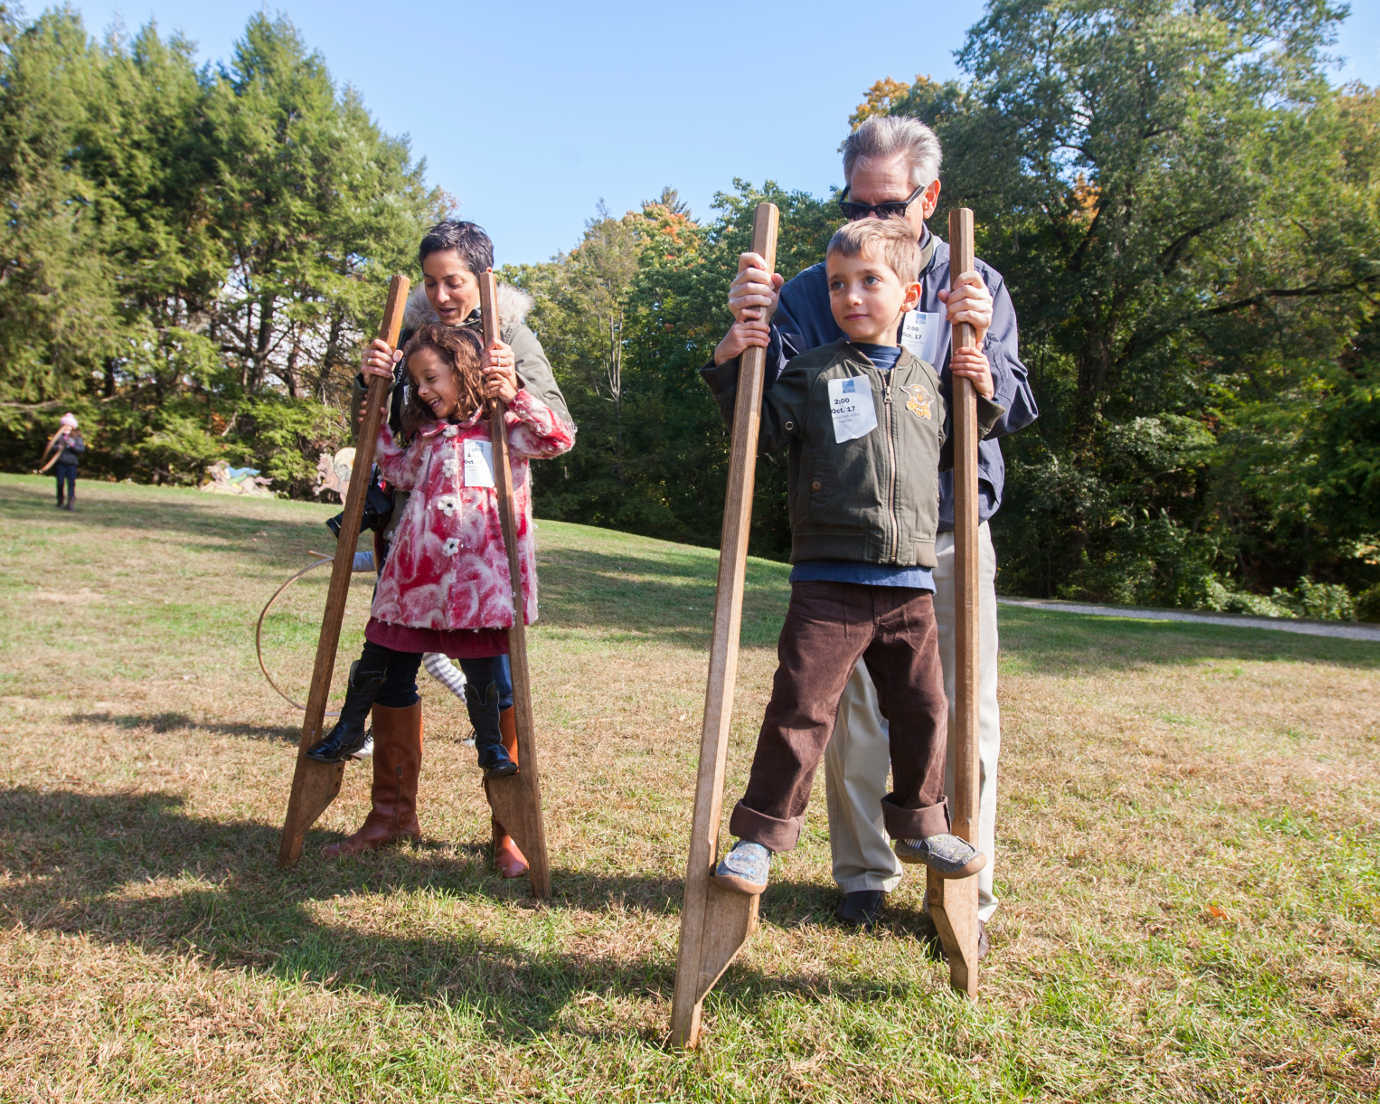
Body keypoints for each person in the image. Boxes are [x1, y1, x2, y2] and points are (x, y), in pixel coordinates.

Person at [714, 117, 1039, 940]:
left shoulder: (975, 283)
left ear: (928, 198)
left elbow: (1013, 407)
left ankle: (966, 890)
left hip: (948, 530)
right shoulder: (811, 285)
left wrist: (980, 358)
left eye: (890, 204)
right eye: (855, 202)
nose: (872, 220)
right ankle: (863, 876)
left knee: (957, 708)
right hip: (844, 539)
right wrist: (742, 333)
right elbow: (759, 407)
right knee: (846, 711)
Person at [312, 220, 574, 874]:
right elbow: (379, 435)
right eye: (431, 281)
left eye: (452, 280)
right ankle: (393, 812)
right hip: (416, 534)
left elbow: (555, 426)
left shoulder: (509, 334)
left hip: (485, 548)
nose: (441, 292)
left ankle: (506, 830)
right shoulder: (409, 336)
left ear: (481, 275)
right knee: (391, 666)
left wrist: (512, 383)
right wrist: (369, 382)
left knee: (495, 675)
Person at [39, 413, 85, 510]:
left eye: (68, 425)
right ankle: (60, 501)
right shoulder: (58, 437)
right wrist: (58, 447)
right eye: (65, 425)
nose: (66, 427)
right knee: (60, 482)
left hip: (72, 464)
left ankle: (70, 503)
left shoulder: (77, 437)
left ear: (72, 426)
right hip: (60, 463)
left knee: (71, 483)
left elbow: (81, 450)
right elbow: (50, 447)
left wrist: (72, 445)